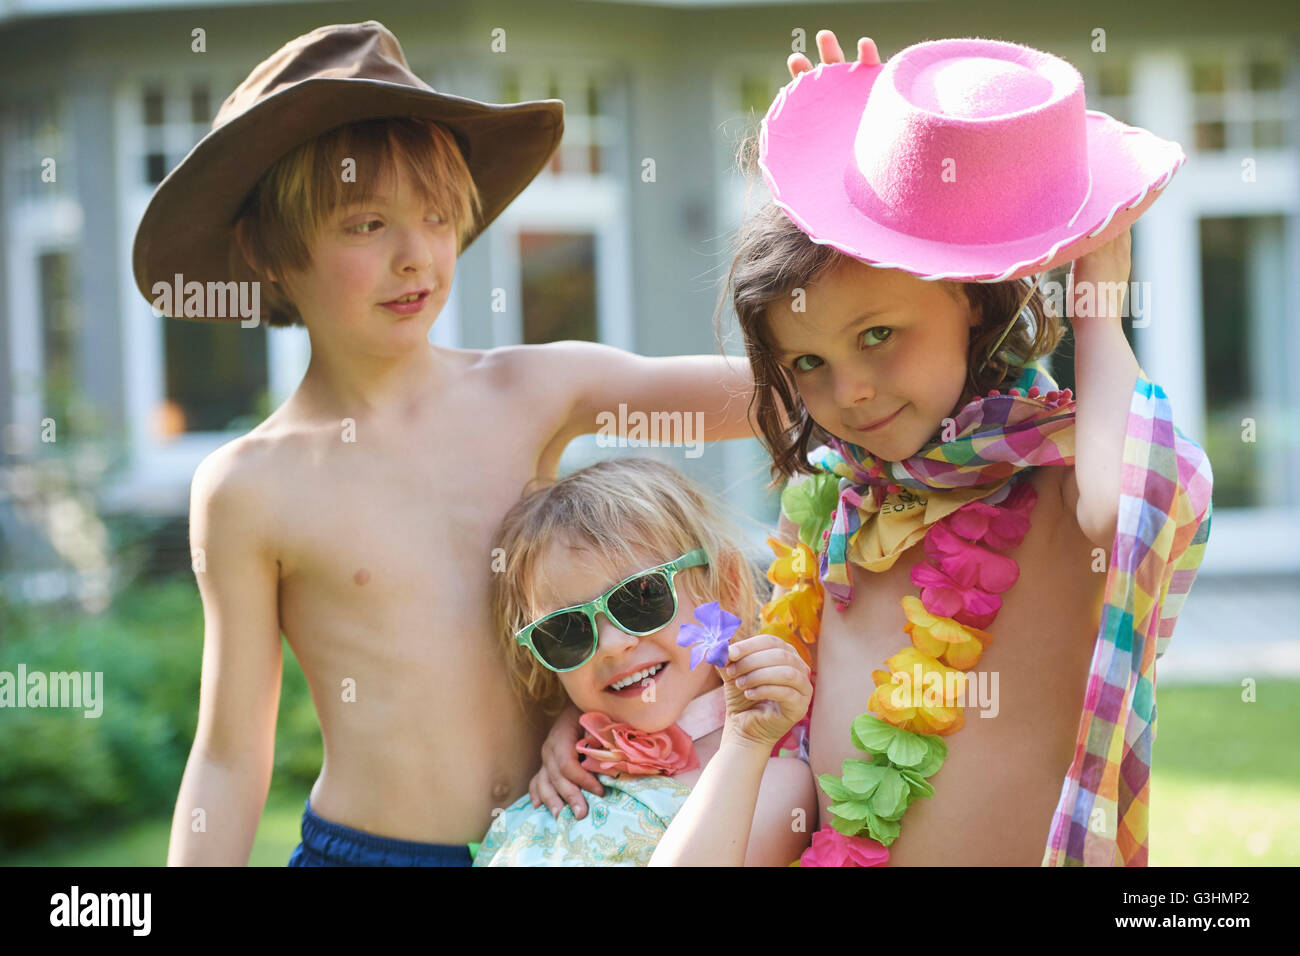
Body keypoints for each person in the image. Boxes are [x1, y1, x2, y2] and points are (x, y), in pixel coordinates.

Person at [537, 32, 1214, 867]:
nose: (850, 391)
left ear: (971, 296)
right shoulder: (836, 500)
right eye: (808, 363)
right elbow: (721, 654)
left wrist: (1098, 311)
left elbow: (1126, 510)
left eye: (880, 335)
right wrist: (596, 718)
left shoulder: (1053, 468)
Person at [136, 21, 762, 866]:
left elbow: (781, 391)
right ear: (265, 250)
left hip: (569, 837)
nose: (414, 256)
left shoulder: (534, 389)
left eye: (436, 217)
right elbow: (228, 753)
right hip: (373, 852)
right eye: (366, 224)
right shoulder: (249, 486)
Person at [475, 458, 814, 866]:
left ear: (726, 584)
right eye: (566, 631)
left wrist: (745, 743)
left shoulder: (771, 780)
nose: (613, 646)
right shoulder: (564, 768)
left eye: (641, 597)